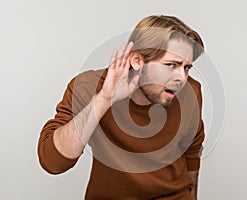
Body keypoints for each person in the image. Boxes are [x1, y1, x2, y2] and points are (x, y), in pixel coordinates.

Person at [38, 15, 205, 199]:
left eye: (187, 68)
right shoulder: (88, 87)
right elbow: (53, 163)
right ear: (137, 61)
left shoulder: (191, 92)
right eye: (171, 65)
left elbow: (191, 150)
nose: (181, 77)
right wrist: (104, 99)